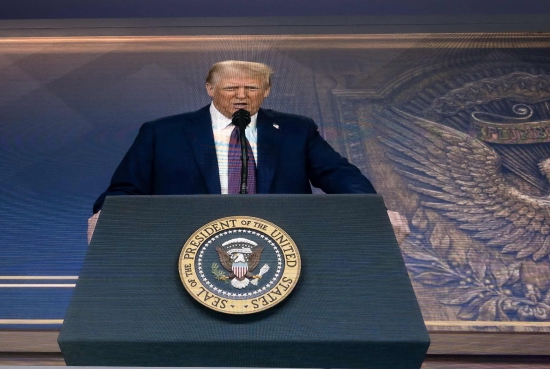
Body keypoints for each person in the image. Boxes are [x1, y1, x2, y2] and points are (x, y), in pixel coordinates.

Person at [87, 60, 408, 241]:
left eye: (252, 88)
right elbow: (126, 187)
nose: (241, 96)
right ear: (210, 89)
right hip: (183, 240)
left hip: (283, 239)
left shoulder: (296, 129)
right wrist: (111, 215)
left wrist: (370, 208)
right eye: (230, 88)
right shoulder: (163, 132)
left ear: (266, 91)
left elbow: (337, 173)